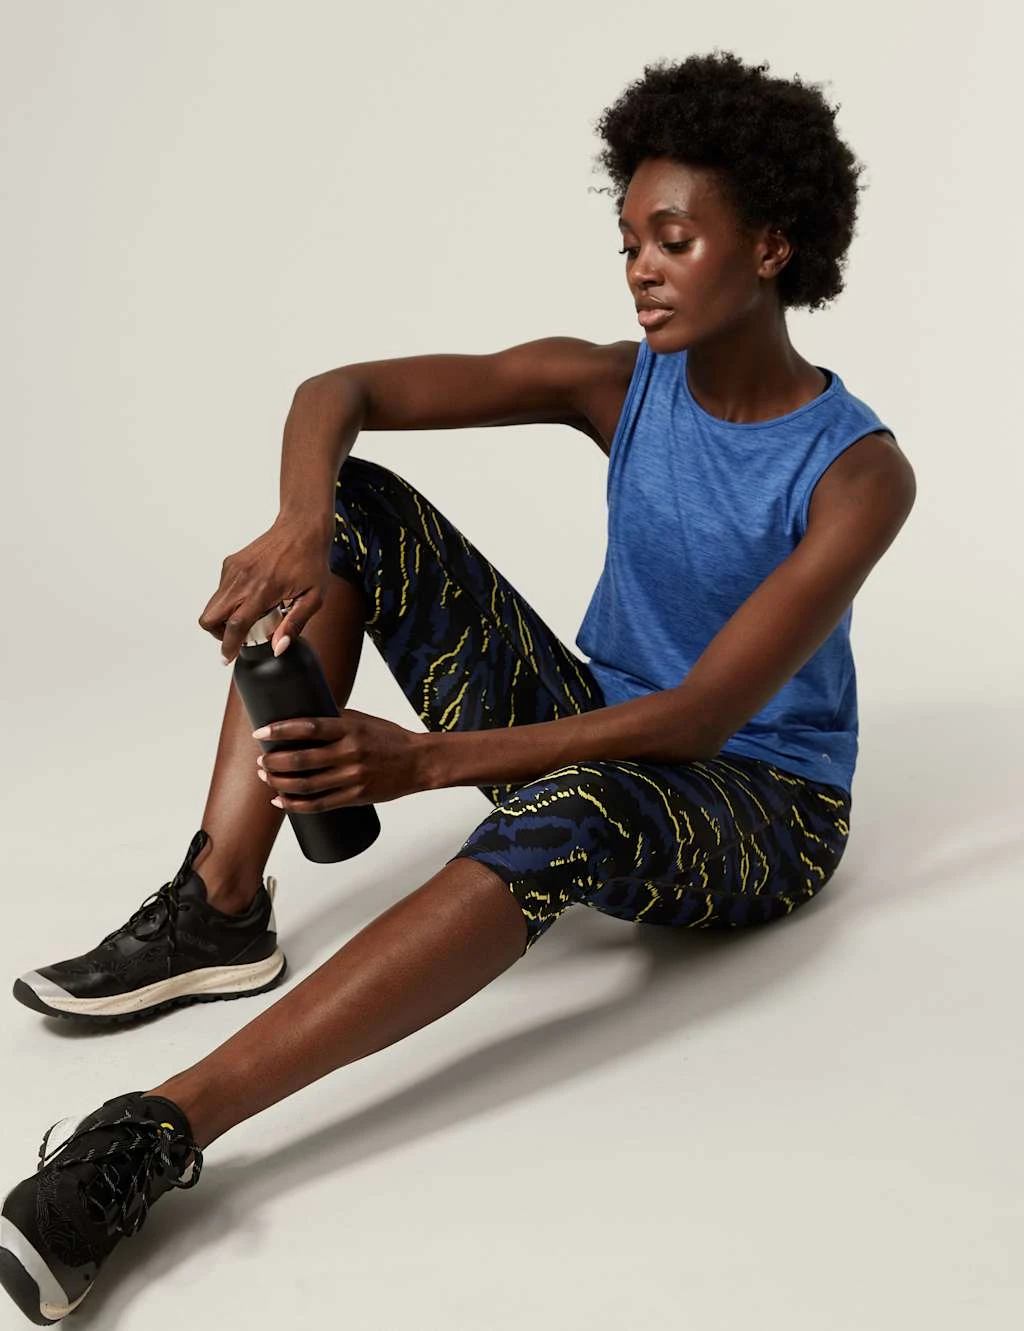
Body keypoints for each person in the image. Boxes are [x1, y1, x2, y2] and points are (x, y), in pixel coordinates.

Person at [0, 49, 915, 1324]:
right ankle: (219, 910)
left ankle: (157, 1127)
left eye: (674, 239)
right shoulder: (616, 382)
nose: (641, 268)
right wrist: (301, 524)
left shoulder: (857, 472)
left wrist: (422, 761)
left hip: (759, 802)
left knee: (584, 800)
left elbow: (701, 717)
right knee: (358, 507)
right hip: (604, 717)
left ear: (770, 245)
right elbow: (342, 391)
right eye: (628, 242)